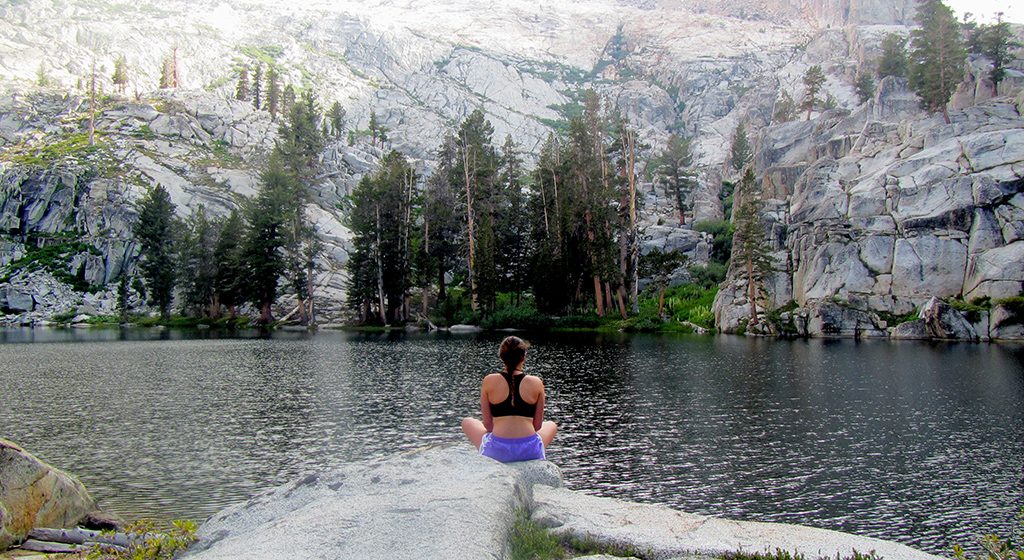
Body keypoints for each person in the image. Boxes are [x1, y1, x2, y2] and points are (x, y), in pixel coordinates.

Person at [461, 336, 557, 462]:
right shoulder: (536, 382)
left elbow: (488, 426)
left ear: (502, 356)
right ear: (523, 357)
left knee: (467, 422)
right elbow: (537, 426)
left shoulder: (489, 380)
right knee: (551, 425)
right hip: (529, 452)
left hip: (497, 452)